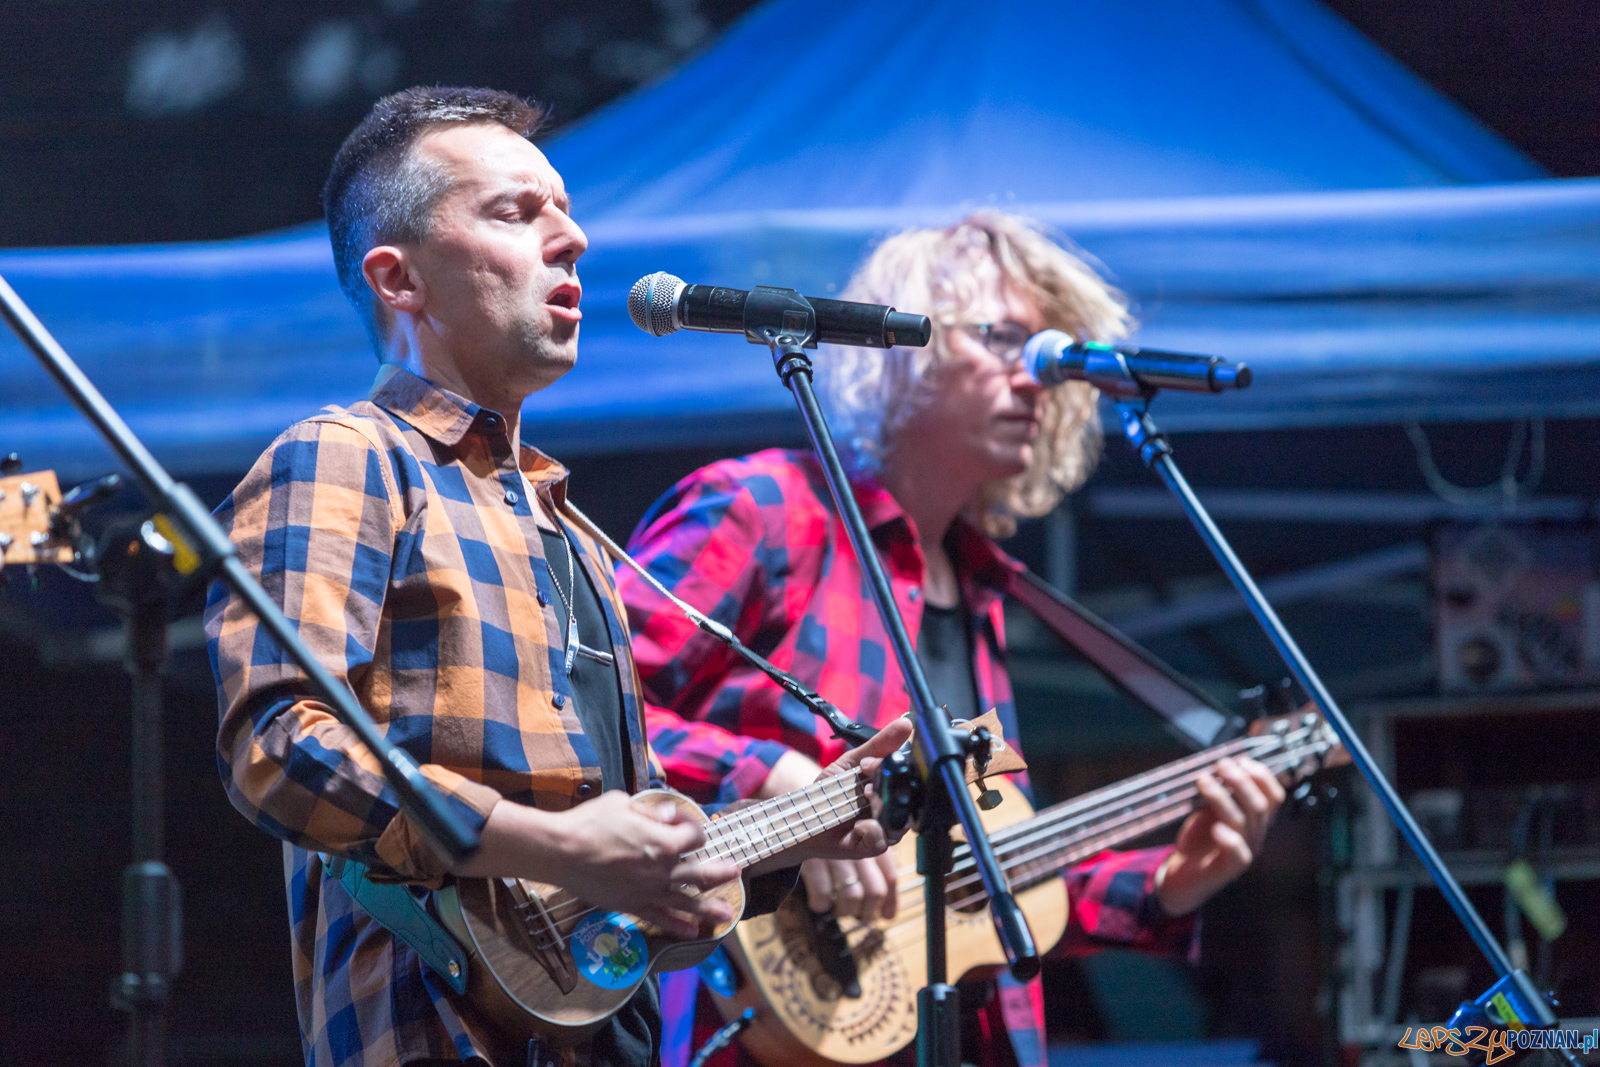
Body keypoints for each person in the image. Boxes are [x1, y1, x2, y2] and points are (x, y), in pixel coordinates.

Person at [203, 86, 907, 1067]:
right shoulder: (344, 456)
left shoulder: (568, 528)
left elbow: (620, 851)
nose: (570, 238)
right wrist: (555, 846)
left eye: (566, 209)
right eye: (514, 211)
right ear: (397, 279)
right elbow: (277, 745)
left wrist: (791, 835)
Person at [620, 211, 1287, 1066]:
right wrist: (783, 790)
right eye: (1005, 338)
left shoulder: (983, 590)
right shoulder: (761, 508)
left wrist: (1169, 885)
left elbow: (976, 882)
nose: (1038, 377)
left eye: (1052, 350)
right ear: (902, 347)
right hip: (743, 1023)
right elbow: (582, 720)